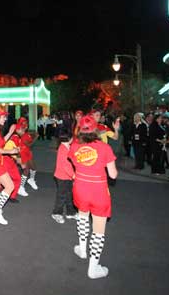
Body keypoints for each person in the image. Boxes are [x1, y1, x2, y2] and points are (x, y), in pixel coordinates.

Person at [68, 115, 118, 279]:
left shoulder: (75, 146)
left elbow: (74, 164)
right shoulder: (104, 148)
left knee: (82, 218)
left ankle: (82, 250)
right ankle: (93, 268)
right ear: (96, 129)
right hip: (98, 190)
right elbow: (113, 174)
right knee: (98, 231)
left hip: (80, 187)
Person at [51, 130, 76, 223]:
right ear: (70, 139)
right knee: (61, 196)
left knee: (69, 194)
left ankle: (71, 212)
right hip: (62, 177)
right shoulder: (63, 149)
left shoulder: (67, 146)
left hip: (67, 176)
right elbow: (66, 165)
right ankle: (56, 213)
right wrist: (73, 175)